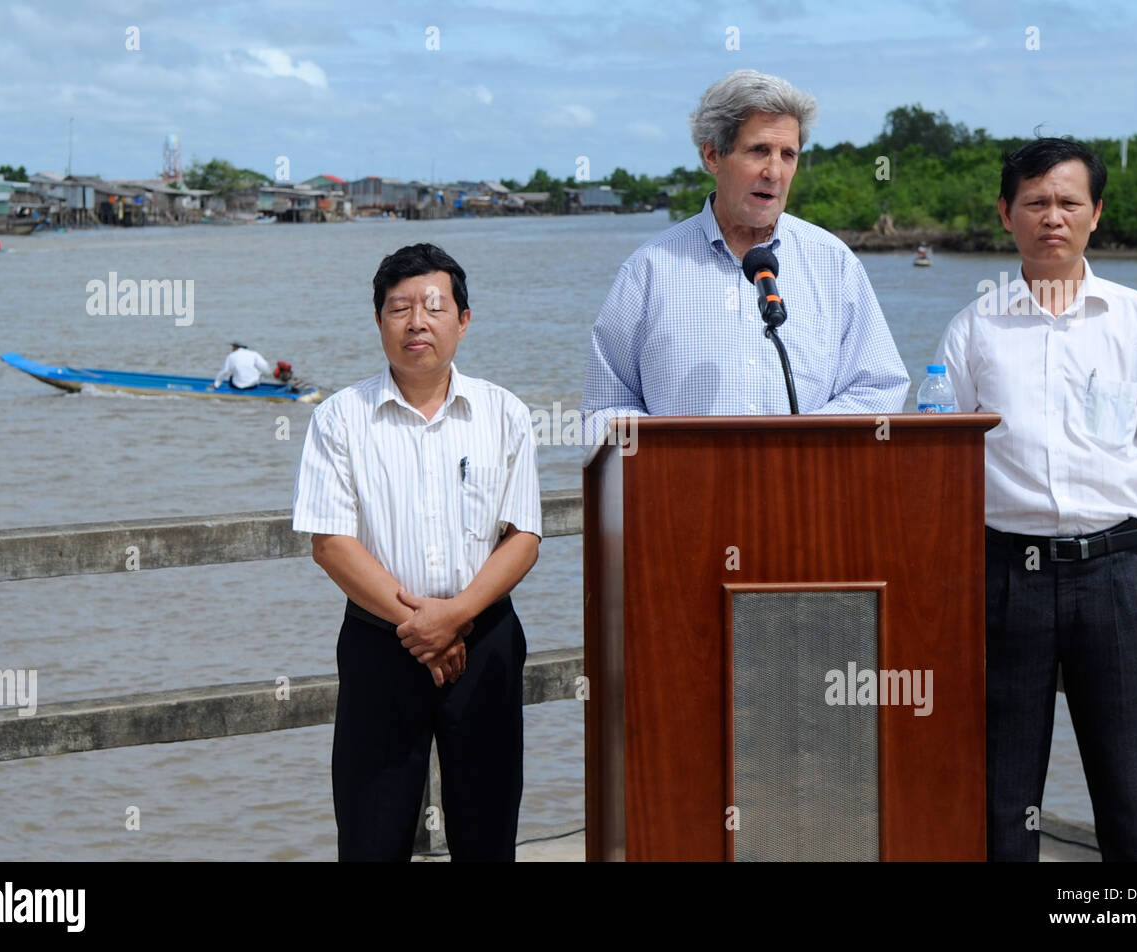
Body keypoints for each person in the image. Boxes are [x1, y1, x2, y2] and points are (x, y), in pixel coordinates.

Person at [934, 137, 1137, 861]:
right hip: (1002, 582)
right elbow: (933, 468)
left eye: (1067, 202)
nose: (1051, 216)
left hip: (1115, 578)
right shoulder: (973, 330)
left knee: (1136, 800)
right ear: (1005, 214)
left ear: (1096, 214)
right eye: (1035, 202)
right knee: (1000, 802)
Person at [291, 243, 542, 862]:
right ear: (379, 321)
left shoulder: (504, 413)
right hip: (381, 644)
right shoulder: (339, 419)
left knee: (487, 836)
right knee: (372, 834)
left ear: (464, 319)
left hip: (483, 643)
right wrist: (422, 625)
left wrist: (454, 619)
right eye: (398, 308)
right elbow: (330, 543)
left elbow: (524, 538)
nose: (416, 322)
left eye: (433, 306)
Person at [582, 69, 909, 441]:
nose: (774, 171)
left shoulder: (834, 263)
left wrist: (805, 445)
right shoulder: (648, 270)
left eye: (788, 155)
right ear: (712, 155)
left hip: (806, 490)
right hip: (684, 494)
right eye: (758, 151)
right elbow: (603, 409)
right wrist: (670, 460)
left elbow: (879, 388)